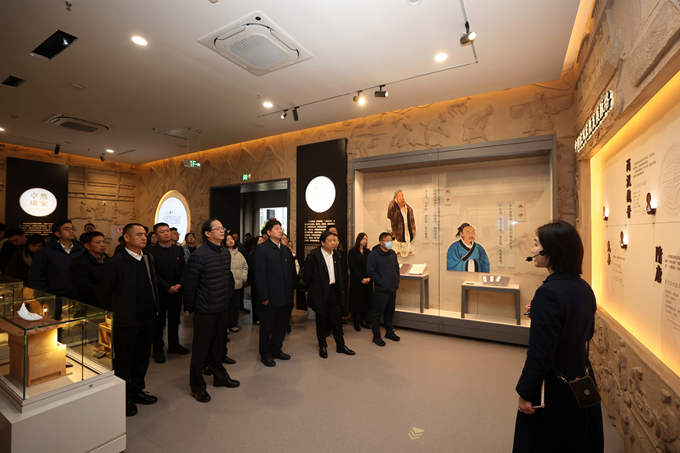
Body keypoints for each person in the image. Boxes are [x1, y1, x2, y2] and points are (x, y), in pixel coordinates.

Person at [513, 220, 604, 452]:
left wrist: (525, 392)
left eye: (536, 244)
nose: (533, 250)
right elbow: (586, 332)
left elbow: (540, 354)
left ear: (551, 250)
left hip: (555, 388)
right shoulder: (584, 287)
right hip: (580, 378)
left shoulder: (548, 293)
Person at [96, 223, 159, 417]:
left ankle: (137, 390)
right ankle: (124, 396)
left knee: (142, 358)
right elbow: (103, 293)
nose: (144, 237)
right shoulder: (115, 262)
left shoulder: (148, 257)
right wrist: (119, 310)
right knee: (125, 361)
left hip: (148, 317)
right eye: (139, 234)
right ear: (126, 237)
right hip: (126, 320)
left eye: (145, 234)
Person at [183, 218, 239, 403]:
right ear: (207, 233)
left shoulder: (224, 252)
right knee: (201, 350)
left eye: (223, 228)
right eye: (218, 228)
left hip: (222, 306)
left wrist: (228, 295)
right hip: (205, 309)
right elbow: (190, 285)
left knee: (217, 346)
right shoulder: (199, 256)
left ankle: (220, 377)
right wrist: (189, 308)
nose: (222, 231)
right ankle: (197, 387)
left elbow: (228, 277)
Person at [304, 231, 355, 359]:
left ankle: (340, 345)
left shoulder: (337, 255)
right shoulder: (313, 256)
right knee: (322, 321)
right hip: (321, 292)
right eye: (330, 240)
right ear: (322, 243)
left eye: (334, 240)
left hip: (334, 291)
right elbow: (307, 277)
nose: (333, 243)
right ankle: (322, 346)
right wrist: (315, 289)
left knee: (336, 320)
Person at [147, 223, 188, 363]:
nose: (166, 233)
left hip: (177, 291)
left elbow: (183, 268)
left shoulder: (177, 249)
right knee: (159, 323)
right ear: (156, 235)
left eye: (167, 231)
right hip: (161, 292)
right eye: (162, 231)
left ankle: (174, 345)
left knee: (174, 320)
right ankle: (158, 350)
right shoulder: (151, 252)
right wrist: (167, 287)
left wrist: (180, 284)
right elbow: (153, 273)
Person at [255, 220, 294, 367]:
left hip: (284, 295)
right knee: (267, 327)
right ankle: (265, 354)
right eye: (276, 228)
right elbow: (260, 275)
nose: (280, 230)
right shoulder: (262, 249)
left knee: (281, 325)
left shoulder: (284, 249)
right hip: (270, 296)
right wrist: (264, 296)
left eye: (280, 228)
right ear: (268, 232)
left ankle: (276, 349)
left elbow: (288, 273)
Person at [31, 220, 84, 299]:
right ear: (57, 234)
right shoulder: (45, 252)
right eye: (67, 229)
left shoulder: (81, 250)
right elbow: (36, 276)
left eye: (73, 228)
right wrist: (45, 295)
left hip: (80, 295)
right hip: (55, 295)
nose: (72, 231)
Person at [366, 232, 401, 346]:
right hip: (381, 290)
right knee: (377, 313)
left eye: (391, 240)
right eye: (387, 240)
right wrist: (381, 282)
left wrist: (396, 279)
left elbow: (396, 268)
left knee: (390, 312)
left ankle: (389, 332)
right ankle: (376, 336)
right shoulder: (374, 255)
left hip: (392, 288)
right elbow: (371, 271)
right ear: (381, 242)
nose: (390, 242)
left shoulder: (392, 253)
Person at [68, 231, 109, 308]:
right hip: (90, 304)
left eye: (104, 241)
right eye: (98, 242)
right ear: (87, 246)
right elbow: (82, 286)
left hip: (108, 303)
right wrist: (106, 291)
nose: (103, 244)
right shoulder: (79, 262)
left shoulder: (109, 260)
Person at [348, 233, 373, 331]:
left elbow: (371, 265)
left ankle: (363, 321)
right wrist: (361, 278)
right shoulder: (352, 252)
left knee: (365, 301)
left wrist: (369, 277)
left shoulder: (368, 252)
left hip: (367, 279)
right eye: (363, 239)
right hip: (357, 280)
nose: (365, 241)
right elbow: (352, 267)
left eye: (366, 239)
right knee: (356, 301)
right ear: (358, 239)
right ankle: (356, 322)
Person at [225, 234, 248, 332]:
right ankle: (225, 326)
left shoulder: (239, 254)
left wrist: (243, 278)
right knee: (226, 307)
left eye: (232, 239)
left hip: (237, 285)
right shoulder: (223, 253)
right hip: (225, 286)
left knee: (235, 306)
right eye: (228, 239)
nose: (230, 241)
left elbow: (245, 267)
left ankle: (233, 324)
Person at [386, 189, 416, 257]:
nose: (401, 198)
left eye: (402, 196)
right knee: (396, 247)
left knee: (406, 241)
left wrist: (406, 210)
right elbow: (389, 218)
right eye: (400, 196)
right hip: (397, 230)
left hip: (405, 229)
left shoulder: (405, 205)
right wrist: (400, 211)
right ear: (396, 196)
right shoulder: (392, 204)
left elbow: (410, 210)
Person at [247, 236, 265, 325]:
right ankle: (256, 318)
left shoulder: (264, 252)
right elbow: (251, 267)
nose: (261, 242)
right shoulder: (253, 253)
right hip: (255, 280)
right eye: (260, 240)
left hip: (263, 280)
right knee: (255, 300)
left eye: (262, 240)